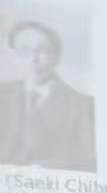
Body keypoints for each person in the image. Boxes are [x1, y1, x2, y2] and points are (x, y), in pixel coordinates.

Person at [0, 19, 97, 172]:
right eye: (24, 50)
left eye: (42, 50)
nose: (33, 58)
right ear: (14, 56)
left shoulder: (82, 105)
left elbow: (90, 161)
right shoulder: (3, 95)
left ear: (56, 56)